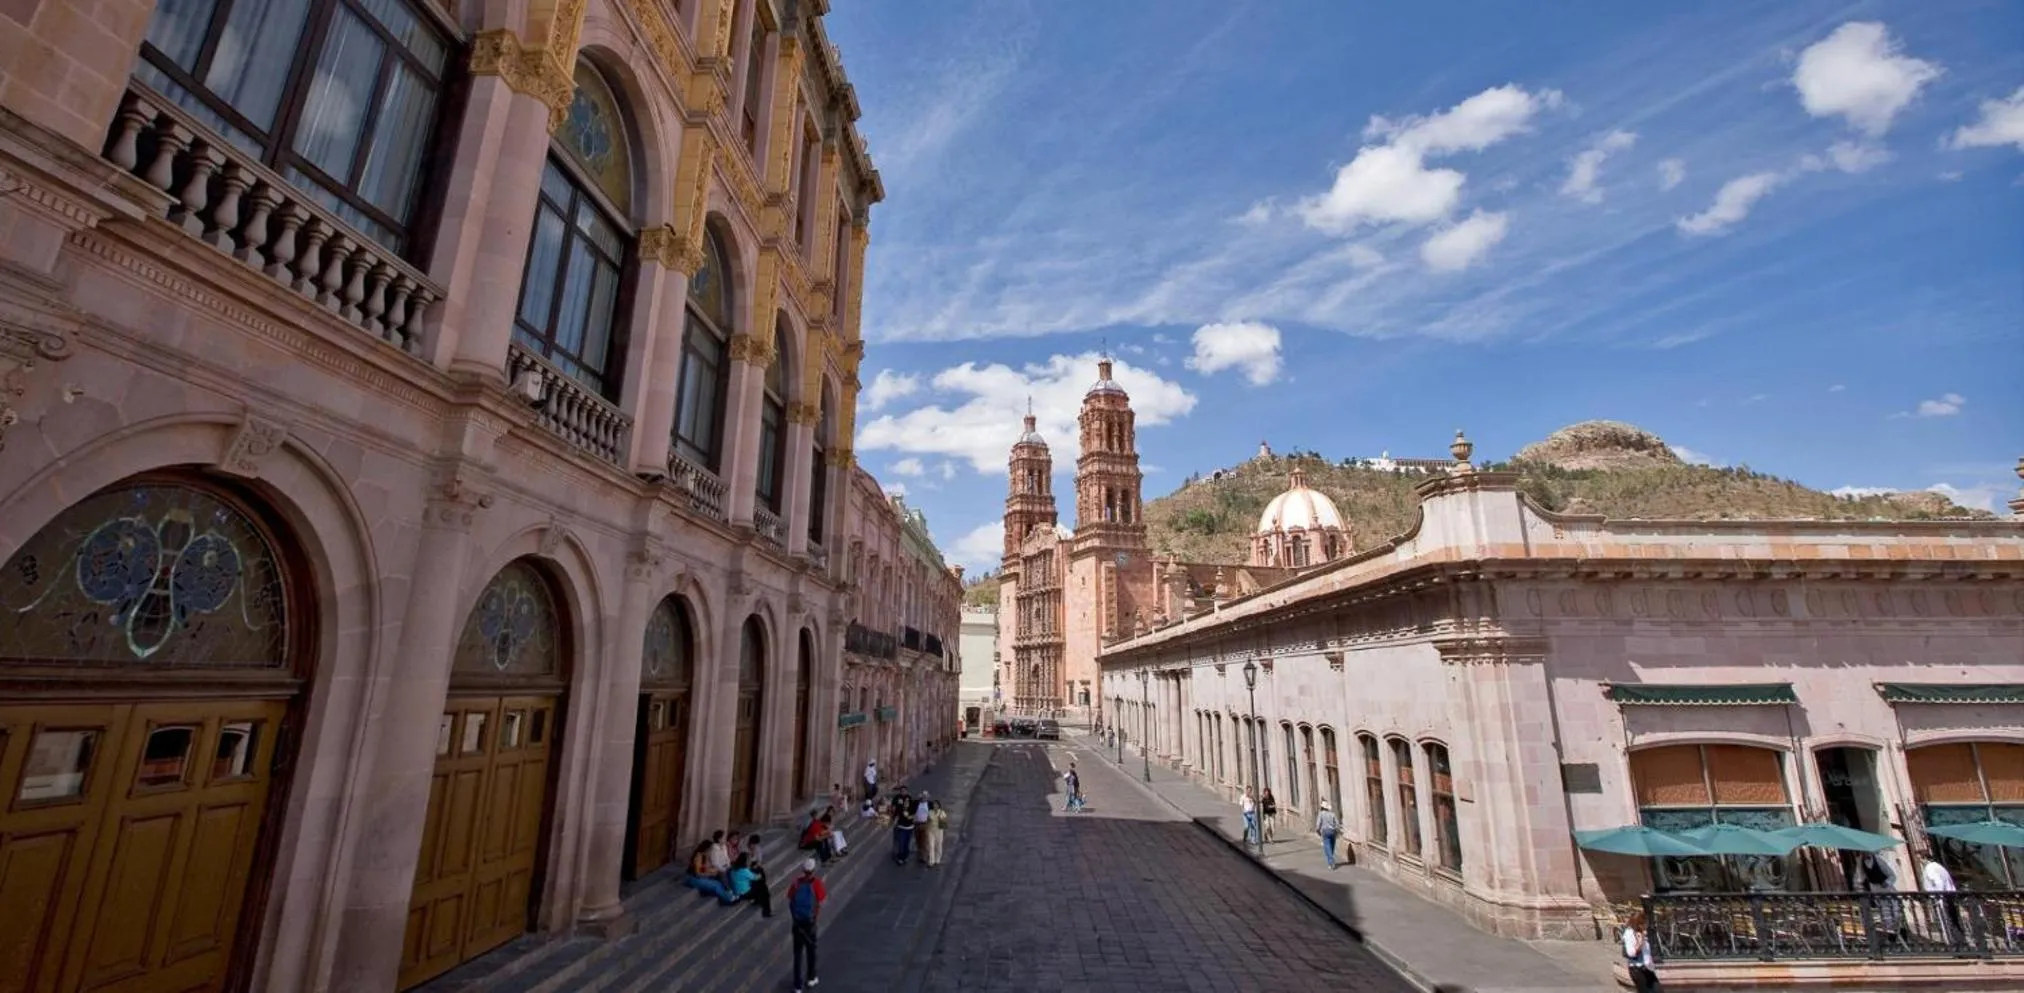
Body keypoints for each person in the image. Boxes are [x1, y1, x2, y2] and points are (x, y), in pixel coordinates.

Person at [788, 859, 826, 992]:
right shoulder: (817, 883)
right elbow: (820, 901)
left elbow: (790, 899)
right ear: (814, 870)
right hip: (810, 923)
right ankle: (811, 978)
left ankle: (797, 985)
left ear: (803, 870)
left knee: (797, 954)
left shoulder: (796, 883)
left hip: (797, 923)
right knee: (811, 951)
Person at [1621, 911, 1660, 992]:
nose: (1647, 925)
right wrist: (1640, 942)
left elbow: (1647, 952)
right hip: (1637, 969)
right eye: (1646, 923)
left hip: (1647, 968)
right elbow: (1631, 953)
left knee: (1658, 990)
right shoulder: (1629, 933)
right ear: (1639, 923)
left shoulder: (1641, 932)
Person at [745, 834, 774, 917]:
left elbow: (759, 860)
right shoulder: (746, 850)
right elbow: (746, 863)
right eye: (753, 844)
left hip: (755, 866)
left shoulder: (757, 849)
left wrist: (756, 865)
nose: (754, 846)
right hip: (748, 867)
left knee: (760, 874)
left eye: (755, 844)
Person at [890, 787, 917, 864]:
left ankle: (904, 856)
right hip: (901, 827)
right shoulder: (899, 805)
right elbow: (894, 810)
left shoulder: (911, 806)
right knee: (900, 842)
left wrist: (911, 818)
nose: (906, 803)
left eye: (908, 802)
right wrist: (894, 819)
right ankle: (899, 856)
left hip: (909, 828)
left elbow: (914, 815)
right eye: (905, 802)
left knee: (906, 843)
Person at [921, 799, 949, 867]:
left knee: (938, 845)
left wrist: (941, 818)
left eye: (936, 804)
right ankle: (931, 861)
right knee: (931, 845)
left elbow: (945, 824)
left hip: (939, 831)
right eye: (934, 804)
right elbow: (927, 821)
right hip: (931, 830)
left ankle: (937, 859)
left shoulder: (942, 812)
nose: (935, 805)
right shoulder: (930, 812)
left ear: (939, 805)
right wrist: (926, 828)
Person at [1315, 799, 1341, 869]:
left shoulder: (1321, 814)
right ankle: (1330, 860)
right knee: (1332, 846)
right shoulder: (1332, 814)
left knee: (1327, 846)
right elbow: (1337, 824)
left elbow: (1318, 824)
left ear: (1322, 807)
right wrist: (1337, 831)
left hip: (1325, 831)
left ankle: (1331, 861)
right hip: (1332, 831)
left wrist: (1318, 831)